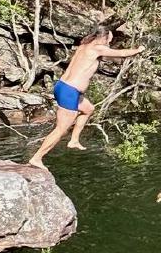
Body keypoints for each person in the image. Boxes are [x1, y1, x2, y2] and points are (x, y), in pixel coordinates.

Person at [28, 27, 145, 170]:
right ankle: (37, 158)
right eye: (109, 40)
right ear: (103, 38)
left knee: (88, 109)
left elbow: (113, 57)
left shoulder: (84, 46)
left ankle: (74, 140)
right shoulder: (97, 48)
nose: (109, 43)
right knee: (61, 130)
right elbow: (121, 53)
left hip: (63, 87)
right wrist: (138, 50)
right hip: (69, 92)